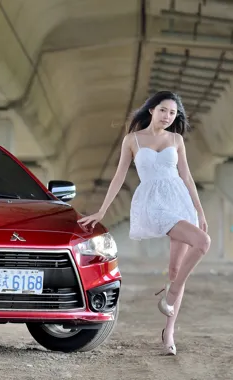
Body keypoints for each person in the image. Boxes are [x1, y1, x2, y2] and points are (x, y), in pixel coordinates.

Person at [78, 91, 210, 356]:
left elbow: (186, 175)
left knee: (176, 270)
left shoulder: (176, 139)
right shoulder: (133, 140)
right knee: (203, 242)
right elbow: (118, 177)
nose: (167, 116)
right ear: (151, 110)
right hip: (154, 203)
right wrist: (103, 210)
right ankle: (170, 294)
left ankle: (169, 331)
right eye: (163, 110)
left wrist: (200, 211)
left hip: (179, 201)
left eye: (173, 113)